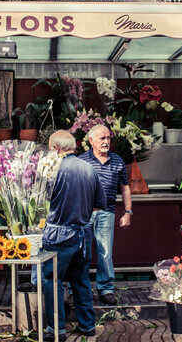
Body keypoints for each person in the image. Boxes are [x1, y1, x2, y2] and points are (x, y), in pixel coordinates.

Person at [41, 130, 107, 341]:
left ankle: (56, 329)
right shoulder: (89, 167)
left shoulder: (54, 169)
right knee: (81, 280)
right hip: (83, 234)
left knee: (52, 280)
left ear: (55, 148)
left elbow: (40, 201)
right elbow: (100, 204)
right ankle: (87, 325)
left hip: (59, 235)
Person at [78, 124, 132, 306]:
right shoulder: (81, 160)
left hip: (106, 213)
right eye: (102, 138)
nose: (106, 142)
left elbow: (125, 188)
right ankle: (79, 289)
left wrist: (127, 212)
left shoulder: (117, 161)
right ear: (91, 141)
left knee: (105, 253)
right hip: (83, 215)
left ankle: (106, 289)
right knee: (81, 252)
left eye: (108, 138)